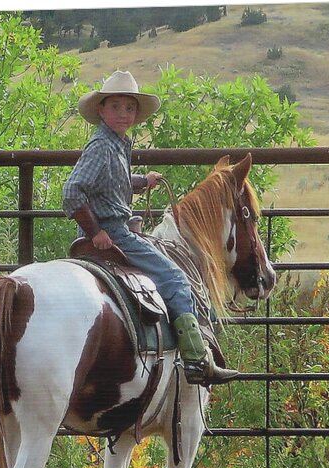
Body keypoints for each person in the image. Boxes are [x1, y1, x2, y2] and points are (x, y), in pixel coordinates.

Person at [62, 70, 238, 386]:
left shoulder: (113, 144)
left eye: (129, 108)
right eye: (115, 107)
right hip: (115, 232)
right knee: (176, 278)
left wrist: (141, 182)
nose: (123, 114)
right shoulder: (103, 146)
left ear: (135, 114)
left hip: (110, 227)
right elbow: (73, 190)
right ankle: (198, 361)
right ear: (101, 110)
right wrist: (96, 232)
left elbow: (108, 183)